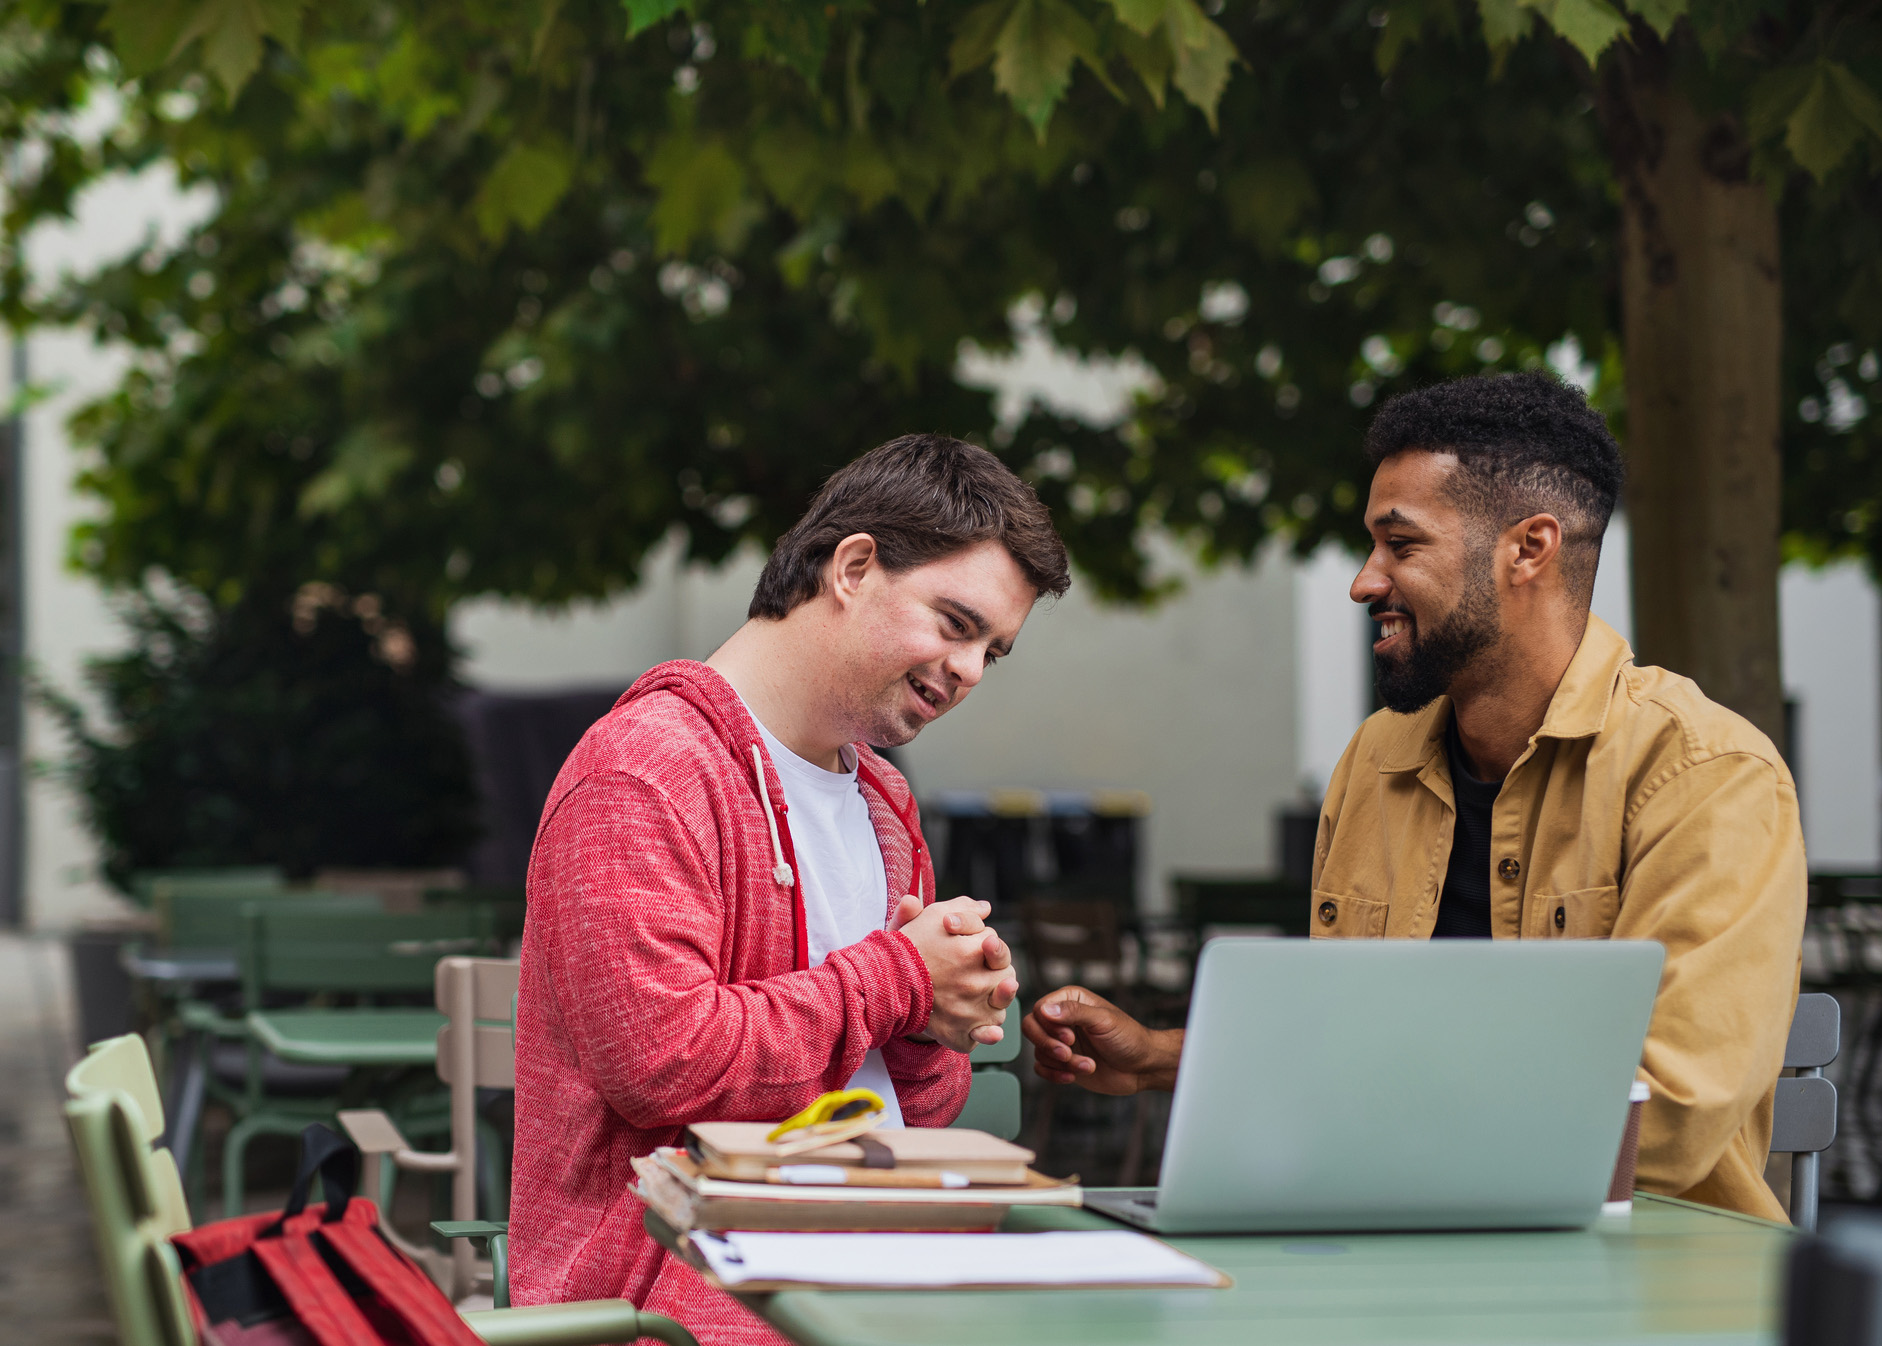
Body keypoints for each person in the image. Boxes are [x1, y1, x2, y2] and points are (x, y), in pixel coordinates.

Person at [1023, 373, 1808, 1222]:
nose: (1365, 581)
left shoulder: (1708, 774)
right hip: (1390, 1242)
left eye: (1402, 545)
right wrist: (1165, 1058)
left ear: (1529, 549)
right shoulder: (1376, 759)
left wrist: (1363, 1114)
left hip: (1646, 1278)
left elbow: (1670, 1120)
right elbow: (1349, 1036)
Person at [514, 434, 1067, 1342]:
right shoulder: (643, 769)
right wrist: (900, 980)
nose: (969, 671)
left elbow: (911, 1102)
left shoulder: (883, 796)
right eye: (956, 625)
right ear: (852, 567)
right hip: (687, 1309)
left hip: (880, 1279)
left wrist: (936, 1024)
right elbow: (665, 1066)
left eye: (993, 653)